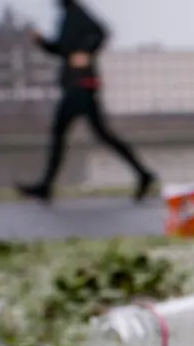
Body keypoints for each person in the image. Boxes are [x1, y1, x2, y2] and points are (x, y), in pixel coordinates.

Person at [18, 0, 156, 203]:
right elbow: (63, 51)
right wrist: (42, 42)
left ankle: (45, 187)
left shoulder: (78, 12)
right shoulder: (66, 17)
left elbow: (101, 32)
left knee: (65, 134)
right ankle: (143, 174)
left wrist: (86, 51)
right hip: (75, 85)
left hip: (82, 85)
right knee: (91, 134)